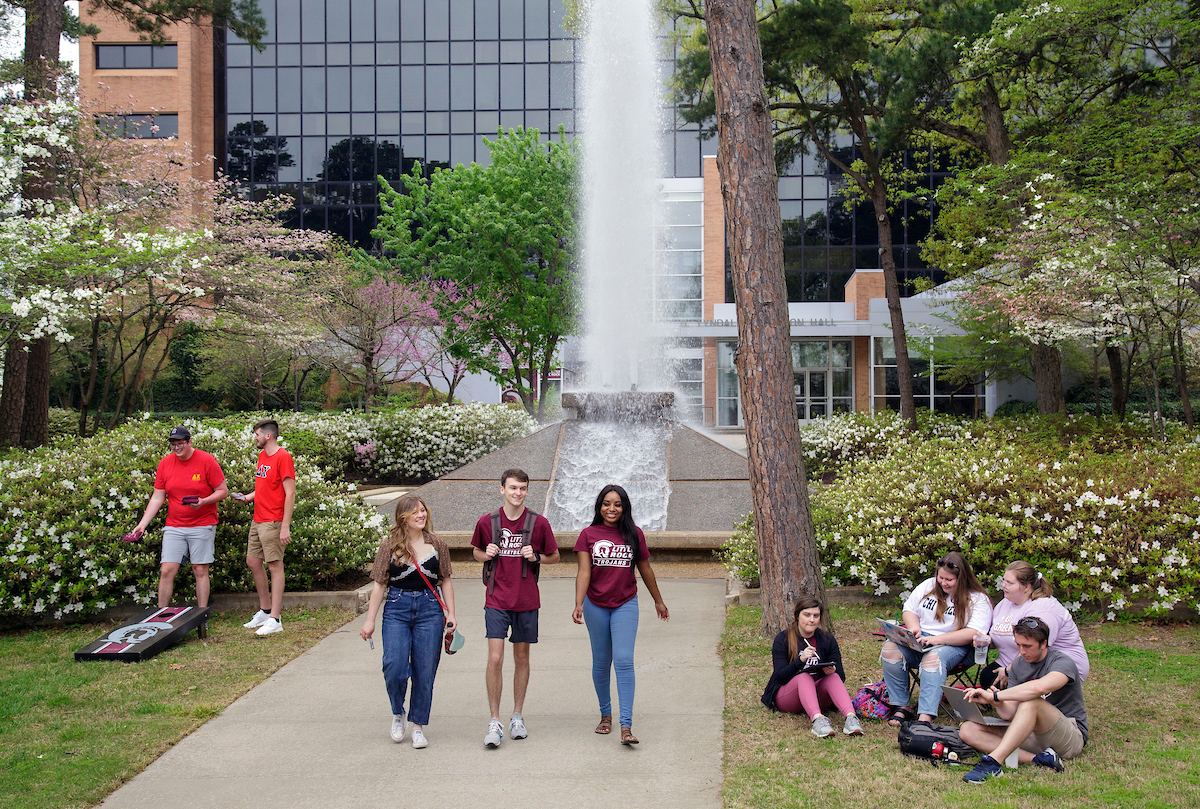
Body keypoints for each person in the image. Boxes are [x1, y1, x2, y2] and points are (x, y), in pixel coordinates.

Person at [572, 484, 670, 745]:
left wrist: (658, 601)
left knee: (624, 660)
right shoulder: (588, 535)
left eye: (617, 504)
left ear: (624, 507)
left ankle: (626, 725)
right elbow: (584, 572)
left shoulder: (634, 534)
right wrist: (578, 603)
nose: (611, 509)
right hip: (595, 604)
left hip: (625, 603)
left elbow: (645, 569)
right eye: (606, 503)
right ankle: (606, 715)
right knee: (602, 662)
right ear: (599, 506)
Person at [471, 468, 560, 748]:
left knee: (521, 659)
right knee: (495, 659)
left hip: (526, 601)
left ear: (526, 491)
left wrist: (537, 557)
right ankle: (494, 720)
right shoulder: (488, 522)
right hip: (496, 599)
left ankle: (517, 716)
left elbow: (555, 556)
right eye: (512, 488)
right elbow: (475, 552)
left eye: (522, 488)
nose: (517, 493)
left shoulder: (539, 523)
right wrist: (486, 554)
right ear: (502, 490)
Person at [360, 495, 456, 750]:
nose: (421, 515)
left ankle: (418, 726)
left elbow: (445, 579)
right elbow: (380, 584)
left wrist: (452, 615)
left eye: (423, 510)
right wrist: (370, 621)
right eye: (415, 512)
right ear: (403, 517)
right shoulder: (389, 545)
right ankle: (397, 712)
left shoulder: (438, 545)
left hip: (430, 610)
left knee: (425, 671)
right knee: (394, 666)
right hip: (397, 609)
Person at [959, 616, 1089, 782]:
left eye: (1027, 646)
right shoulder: (1019, 665)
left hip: (1069, 737)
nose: (1022, 651)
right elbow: (1010, 713)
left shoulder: (1062, 662)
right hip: (1032, 734)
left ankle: (993, 762)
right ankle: (1039, 760)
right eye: (1018, 645)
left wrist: (996, 695)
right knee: (968, 729)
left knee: (1032, 701)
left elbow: (1040, 688)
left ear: (1044, 643)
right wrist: (996, 702)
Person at [881, 552, 992, 724]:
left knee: (932, 658)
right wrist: (913, 628)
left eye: (949, 580)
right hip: (921, 640)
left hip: (954, 645)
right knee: (890, 649)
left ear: (962, 579)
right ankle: (902, 706)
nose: (943, 582)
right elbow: (909, 609)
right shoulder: (929, 585)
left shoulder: (977, 599)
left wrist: (938, 640)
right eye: (941, 577)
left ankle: (926, 715)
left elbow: (973, 632)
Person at [129, 426, 229, 608]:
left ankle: (202, 614)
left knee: (199, 570)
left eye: (180, 443)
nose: (177, 448)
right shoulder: (165, 464)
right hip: (174, 525)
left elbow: (223, 491)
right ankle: (161, 614)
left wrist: (203, 501)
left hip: (202, 524)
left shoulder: (206, 460)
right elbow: (158, 497)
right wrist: (142, 525)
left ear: (189, 442)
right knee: (167, 570)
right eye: (173, 445)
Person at [760, 594, 863, 738]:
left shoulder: (827, 639)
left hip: (817, 695)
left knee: (833, 677)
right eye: (807, 615)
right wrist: (799, 661)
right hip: (789, 696)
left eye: (816, 615)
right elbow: (780, 677)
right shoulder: (783, 639)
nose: (812, 620)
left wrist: (832, 671)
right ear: (797, 616)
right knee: (804, 677)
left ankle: (851, 719)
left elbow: (841, 677)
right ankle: (817, 721)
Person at [981, 560, 1089, 689]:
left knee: (1014, 687)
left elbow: (1037, 649)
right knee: (988, 677)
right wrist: (985, 641)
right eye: (1004, 581)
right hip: (1020, 660)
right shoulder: (1005, 603)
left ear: (1027, 586)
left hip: (1053, 664)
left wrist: (1009, 671)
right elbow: (999, 637)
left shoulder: (1043, 608)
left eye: (1010, 583)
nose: (1004, 585)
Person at [236, 419, 296, 637]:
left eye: (257, 434)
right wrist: (248, 497)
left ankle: (275, 619)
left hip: (273, 520)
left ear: (268, 436)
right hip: (258, 518)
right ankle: (265, 610)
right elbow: (263, 486)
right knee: (252, 561)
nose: (255, 438)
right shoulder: (263, 457)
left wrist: (285, 526)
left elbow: (290, 492)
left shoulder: (283, 457)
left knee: (274, 566)